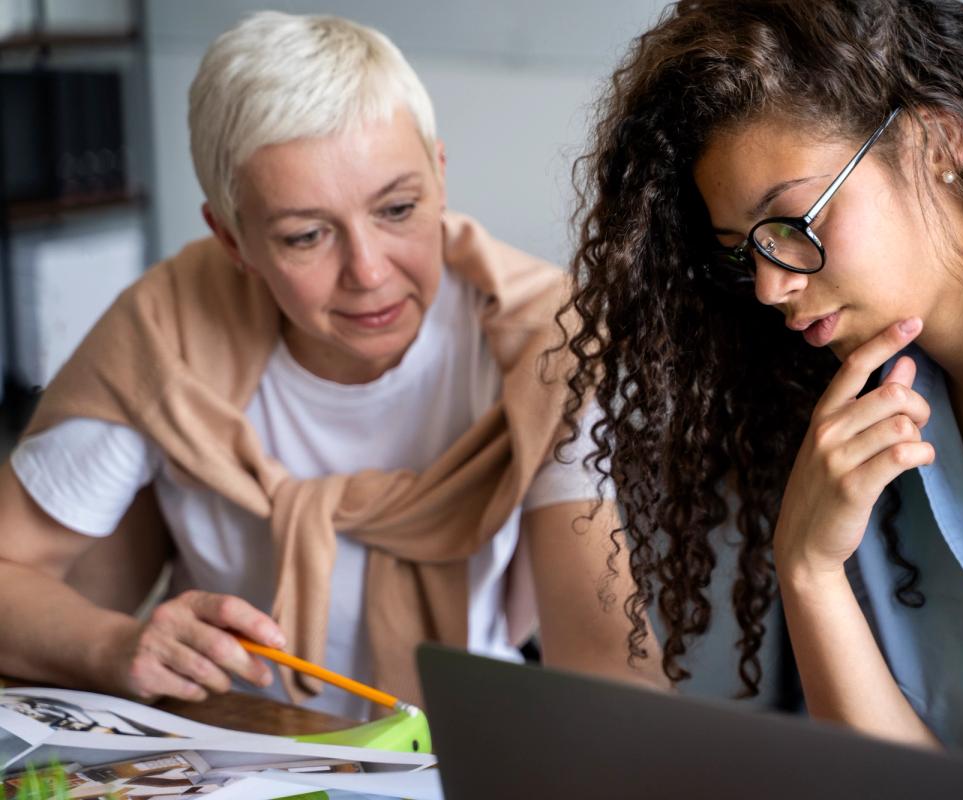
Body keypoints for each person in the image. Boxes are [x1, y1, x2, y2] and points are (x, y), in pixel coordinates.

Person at [557, 0, 963, 796]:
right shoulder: (857, 440)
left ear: (937, 143)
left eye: (790, 220)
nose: (770, 287)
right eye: (744, 253)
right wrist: (809, 570)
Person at [0, 10, 664, 721]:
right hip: (230, 741)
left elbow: (600, 647)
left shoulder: (540, 336)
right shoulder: (168, 333)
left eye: (398, 209)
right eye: (306, 235)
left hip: (467, 738)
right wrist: (116, 646)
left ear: (439, 178)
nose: (369, 272)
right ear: (232, 239)